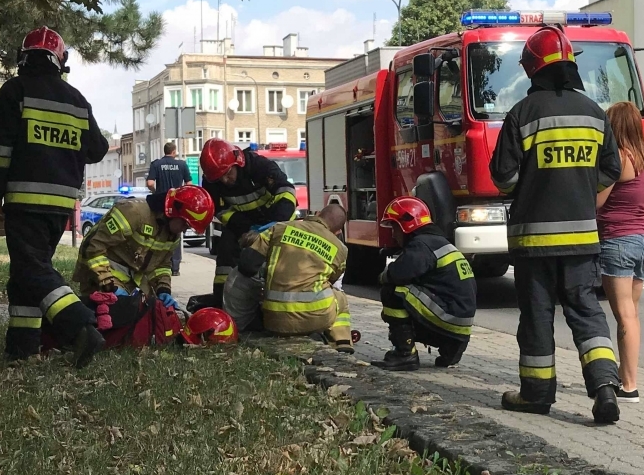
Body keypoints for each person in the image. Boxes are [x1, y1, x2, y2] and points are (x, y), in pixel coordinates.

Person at [489, 26, 623, 425]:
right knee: (587, 314)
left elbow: (504, 178)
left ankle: (536, 394)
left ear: (532, 69)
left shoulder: (522, 114)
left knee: (537, 317)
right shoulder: (594, 114)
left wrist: (534, 182)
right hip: (583, 240)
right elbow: (611, 170)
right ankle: (604, 389)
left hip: (534, 244)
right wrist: (582, 187)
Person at [0, 27, 110, 368]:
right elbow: (98, 149)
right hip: (60, 205)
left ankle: (80, 325)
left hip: (24, 199)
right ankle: (22, 346)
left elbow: (0, 149)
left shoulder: (15, 91)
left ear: (23, 56)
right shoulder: (77, 100)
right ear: (60, 61)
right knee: (26, 274)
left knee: (32, 269)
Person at [73, 185, 214, 323]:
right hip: (100, 272)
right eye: (185, 224)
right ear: (173, 212)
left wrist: (163, 290)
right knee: (118, 316)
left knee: (152, 315)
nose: (183, 230)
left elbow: (162, 265)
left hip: (132, 278)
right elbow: (94, 248)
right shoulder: (133, 212)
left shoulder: (172, 234)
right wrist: (110, 286)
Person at [596, 102, 644, 404]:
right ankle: (626, 374)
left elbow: (598, 202)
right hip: (643, 242)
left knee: (624, 316)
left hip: (618, 241)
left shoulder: (619, 158)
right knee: (632, 313)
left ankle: (629, 385)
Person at [376, 196, 478, 372]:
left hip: (445, 316)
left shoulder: (422, 245)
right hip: (460, 324)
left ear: (406, 225)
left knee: (393, 291)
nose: (393, 233)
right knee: (412, 295)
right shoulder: (440, 242)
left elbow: (398, 274)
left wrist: (384, 275)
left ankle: (404, 354)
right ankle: (450, 347)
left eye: (394, 226)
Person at [237, 203, 354, 351]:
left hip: (274, 319)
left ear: (317, 214)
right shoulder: (341, 249)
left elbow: (247, 264)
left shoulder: (279, 228)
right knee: (340, 297)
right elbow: (331, 280)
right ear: (337, 232)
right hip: (316, 319)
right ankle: (341, 342)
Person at [199, 138, 298, 306]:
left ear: (237, 163)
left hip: (278, 221)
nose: (224, 180)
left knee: (284, 262)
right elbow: (221, 211)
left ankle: (285, 301)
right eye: (219, 178)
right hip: (244, 225)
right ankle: (221, 303)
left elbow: (286, 193)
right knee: (226, 250)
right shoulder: (211, 181)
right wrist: (246, 230)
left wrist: (273, 225)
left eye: (227, 173)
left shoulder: (259, 166)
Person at [146, 142, 193, 276]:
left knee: (159, 232)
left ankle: (158, 264)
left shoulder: (156, 164)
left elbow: (150, 183)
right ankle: (175, 267)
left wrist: (156, 192)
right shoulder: (182, 165)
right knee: (176, 233)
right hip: (177, 204)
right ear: (174, 152)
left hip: (162, 202)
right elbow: (189, 184)